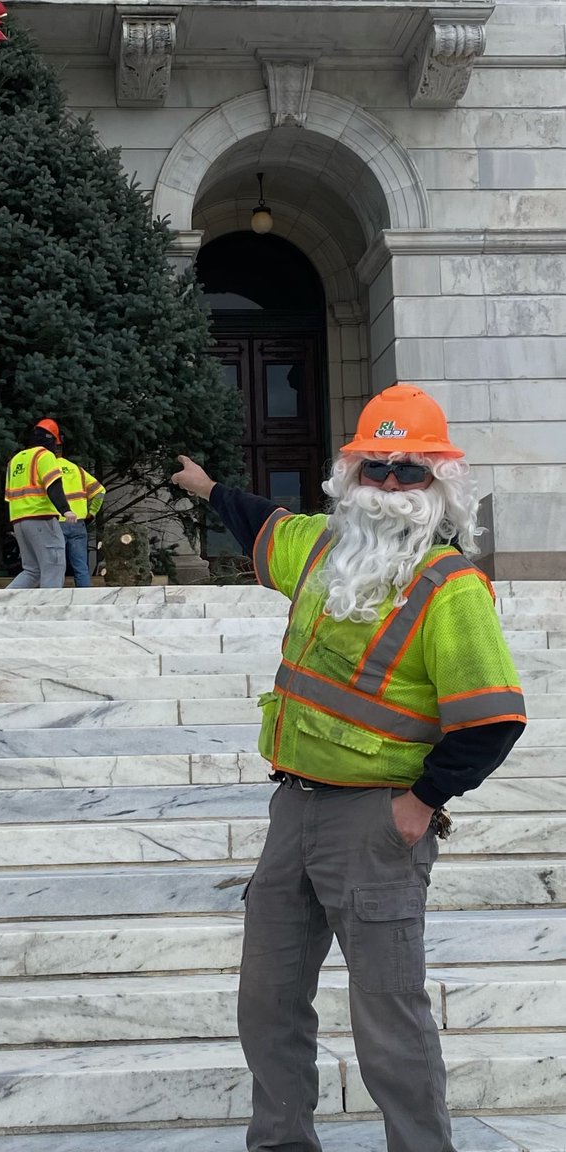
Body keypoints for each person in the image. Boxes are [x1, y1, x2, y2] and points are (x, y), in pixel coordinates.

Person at [172, 384, 527, 1152]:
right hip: (293, 810)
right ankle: (281, 1143)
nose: (392, 485)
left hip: (376, 821)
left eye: (410, 471)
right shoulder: (323, 548)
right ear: (351, 474)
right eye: (378, 467)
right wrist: (205, 488)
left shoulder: (450, 585)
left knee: (388, 1014)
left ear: (439, 483)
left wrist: (422, 800)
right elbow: (261, 519)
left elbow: (494, 718)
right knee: (266, 1000)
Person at [4, 417, 77, 589]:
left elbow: (9, 495)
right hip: (40, 518)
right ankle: (50, 611)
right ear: (51, 440)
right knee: (53, 565)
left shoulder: (15, 460)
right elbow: (53, 484)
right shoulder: (44, 456)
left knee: (32, 571)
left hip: (19, 521)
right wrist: (65, 510)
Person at [56, 442, 105, 588]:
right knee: (81, 566)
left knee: (55, 566)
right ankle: (85, 599)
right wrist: (91, 513)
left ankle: (54, 598)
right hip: (78, 523)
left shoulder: (48, 470)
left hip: (56, 522)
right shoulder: (77, 470)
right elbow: (100, 491)